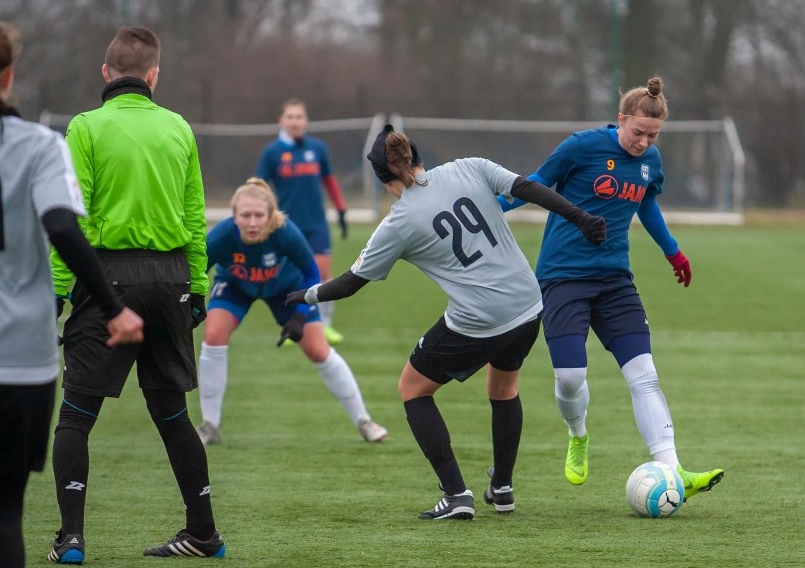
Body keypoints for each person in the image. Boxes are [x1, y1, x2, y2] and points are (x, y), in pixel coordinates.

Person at [286, 125, 606, 519]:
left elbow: (351, 284)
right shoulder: (469, 167)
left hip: (480, 318)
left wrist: (306, 295)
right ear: (418, 158)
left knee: (412, 387)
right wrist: (580, 217)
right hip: (527, 302)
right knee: (504, 388)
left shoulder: (398, 222)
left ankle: (456, 494)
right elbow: (527, 188)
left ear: (384, 180)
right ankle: (502, 488)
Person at [0, 2, 143, 567]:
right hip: (19, 361)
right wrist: (114, 308)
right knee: (3, 516)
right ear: (9, 75)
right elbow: (61, 223)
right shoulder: (38, 145)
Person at [498, 76, 724, 500]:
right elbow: (536, 181)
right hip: (562, 277)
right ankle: (578, 434)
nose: (643, 142)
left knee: (645, 375)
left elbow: (647, 204)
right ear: (620, 119)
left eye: (652, 135)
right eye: (637, 132)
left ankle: (674, 470)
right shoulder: (581, 148)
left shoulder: (651, 161)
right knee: (569, 377)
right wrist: (493, 206)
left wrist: (673, 252)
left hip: (615, 280)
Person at [47, 26, 225, 561]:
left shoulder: (84, 128)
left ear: (106, 73)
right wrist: (197, 288)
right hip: (171, 280)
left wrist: (57, 292)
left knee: (76, 415)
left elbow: (68, 220)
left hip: (108, 282)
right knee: (171, 413)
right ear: (153, 76)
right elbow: (196, 217)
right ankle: (203, 534)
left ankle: (71, 537)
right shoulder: (179, 127)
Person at [195, 177, 387, 445]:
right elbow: (197, 268)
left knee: (319, 350)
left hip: (286, 289)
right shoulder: (221, 235)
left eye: (259, 215)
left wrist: (300, 315)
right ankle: (209, 426)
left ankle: (364, 421)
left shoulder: (285, 231)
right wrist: (192, 300)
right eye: (245, 215)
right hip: (235, 285)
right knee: (213, 336)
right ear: (234, 216)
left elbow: (311, 272)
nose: (252, 222)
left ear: (270, 214)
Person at [255, 98, 348, 345]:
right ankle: (290, 322)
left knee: (322, 274)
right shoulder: (272, 152)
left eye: (299, 117)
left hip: (316, 223)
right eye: (290, 117)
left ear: (305, 120)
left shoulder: (317, 148)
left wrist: (341, 209)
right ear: (281, 121)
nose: (295, 121)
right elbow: (259, 187)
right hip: (286, 226)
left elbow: (329, 180)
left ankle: (325, 326)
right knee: (288, 275)